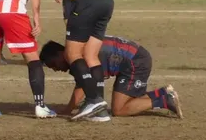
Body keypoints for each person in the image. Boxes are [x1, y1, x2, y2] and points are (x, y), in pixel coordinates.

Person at [40, 38, 183, 119]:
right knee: (126, 102)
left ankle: (164, 100)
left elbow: (82, 86)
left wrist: (67, 110)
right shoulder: (77, 49)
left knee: (119, 109)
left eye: (53, 64)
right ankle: (162, 93)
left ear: (60, 53)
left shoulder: (76, 56)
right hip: (133, 58)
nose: (55, 69)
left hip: (135, 61)